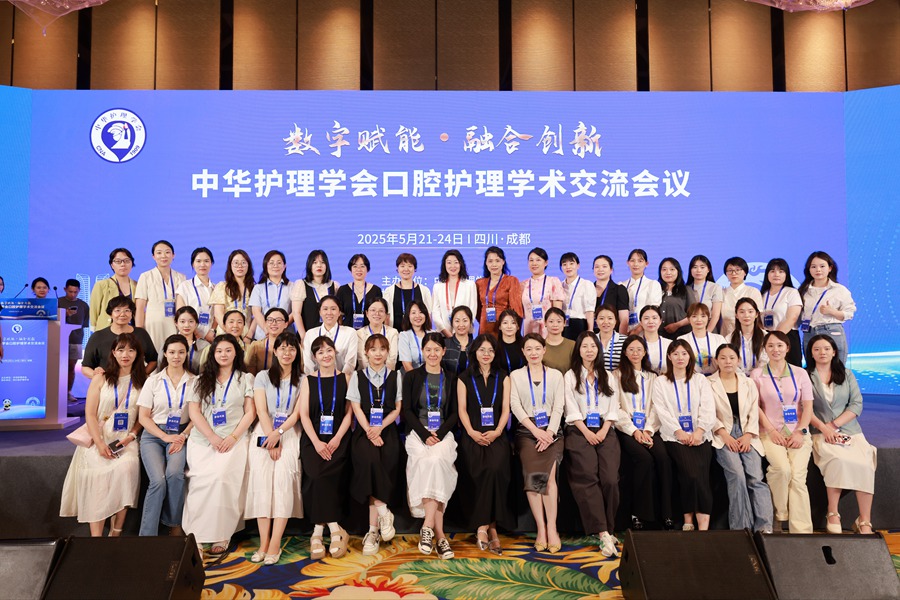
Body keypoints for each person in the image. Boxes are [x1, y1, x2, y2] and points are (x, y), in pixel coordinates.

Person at [60, 332, 146, 536]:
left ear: (137, 354)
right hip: (99, 436)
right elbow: (90, 414)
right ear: (113, 352)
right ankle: (96, 538)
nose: (126, 354)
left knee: (128, 468)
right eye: (121, 349)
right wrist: (99, 444)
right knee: (97, 477)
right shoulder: (101, 378)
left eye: (131, 350)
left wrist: (132, 436)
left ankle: (116, 532)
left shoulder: (144, 381)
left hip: (125, 439)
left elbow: (143, 417)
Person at [183, 334, 256, 556]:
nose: (223, 354)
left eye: (228, 350)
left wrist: (233, 437)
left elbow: (250, 412)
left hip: (234, 440)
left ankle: (222, 533)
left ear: (236, 353)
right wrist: (212, 437)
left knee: (223, 479)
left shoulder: (246, 379)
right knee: (200, 482)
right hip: (203, 440)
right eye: (219, 351)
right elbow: (194, 412)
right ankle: (195, 535)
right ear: (213, 354)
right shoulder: (200, 380)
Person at [806, 334, 876, 534]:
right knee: (837, 460)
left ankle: (864, 520)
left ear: (834, 352)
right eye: (817, 349)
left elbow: (856, 404)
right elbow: (804, 409)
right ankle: (833, 513)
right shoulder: (805, 376)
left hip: (849, 430)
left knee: (866, 462)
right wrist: (825, 428)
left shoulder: (847, 374)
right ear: (811, 353)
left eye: (826, 348)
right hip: (820, 432)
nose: (822, 352)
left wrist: (834, 425)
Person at [245, 331, 304, 565]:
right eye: (282, 348)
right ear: (275, 351)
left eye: (292, 348)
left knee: (282, 482)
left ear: (297, 352)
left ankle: (275, 543)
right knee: (261, 483)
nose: (287, 352)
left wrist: (278, 436)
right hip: (264, 429)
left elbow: (297, 414)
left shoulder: (303, 379)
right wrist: (271, 436)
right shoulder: (262, 376)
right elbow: (260, 410)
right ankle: (263, 542)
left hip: (288, 432)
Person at [402, 333, 460, 559]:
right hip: (418, 433)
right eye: (428, 349)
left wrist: (440, 433)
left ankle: (427, 526)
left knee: (436, 461)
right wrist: (425, 434)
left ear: (443, 351)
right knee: (428, 462)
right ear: (422, 351)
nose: (432, 354)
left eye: (437, 349)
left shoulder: (452, 378)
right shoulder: (412, 377)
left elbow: (454, 413)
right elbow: (407, 411)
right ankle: (441, 536)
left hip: (443, 433)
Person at [564, 331, 621, 557]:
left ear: (599, 350)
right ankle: (602, 532)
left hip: (605, 429)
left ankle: (609, 527)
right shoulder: (570, 376)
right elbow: (570, 407)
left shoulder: (608, 376)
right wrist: (587, 431)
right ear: (578, 350)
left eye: (593, 346)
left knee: (610, 479)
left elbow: (613, 408)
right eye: (585, 346)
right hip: (579, 429)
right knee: (587, 475)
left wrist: (604, 430)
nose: (589, 350)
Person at [751, 331, 814, 533]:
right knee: (782, 469)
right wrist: (771, 431)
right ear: (764, 349)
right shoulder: (756, 374)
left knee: (797, 477)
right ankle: (779, 515)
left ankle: (802, 532)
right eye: (770, 346)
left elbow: (808, 406)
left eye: (779, 345)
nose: (775, 349)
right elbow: (755, 407)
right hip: (769, 433)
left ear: (787, 348)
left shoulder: (800, 373)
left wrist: (800, 431)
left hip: (798, 432)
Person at [457, 334, 513, 555]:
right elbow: (462, 409)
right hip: (472, 434)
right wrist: (471, 432)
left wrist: (498, 431)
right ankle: (487, 527)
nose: (486, 354)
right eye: (482, 350)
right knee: (480, 469)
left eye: (490, 350)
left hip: (496, 434)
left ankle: (489, 527)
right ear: (475, 352)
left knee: (496, 468)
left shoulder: (503, 376)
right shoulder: (464, 377)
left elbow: (506, 409)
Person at [509, 334, 566, 553]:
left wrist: (549, 433)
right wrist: (535, 431)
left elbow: (559, 407)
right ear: (523, 352)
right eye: (529, 349)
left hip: (552, 430)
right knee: (532, 476)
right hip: (527, 431)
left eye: (537, 348)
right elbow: (515, 406)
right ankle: (540, 528)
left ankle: (552, 528)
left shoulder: (556, 375)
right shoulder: (516, 375)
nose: (533, 353)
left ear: (544, 350)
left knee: (549, 477)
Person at [652, 340, 716, 531]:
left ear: (690, 356)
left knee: (701, 475)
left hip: (701, 435)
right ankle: (687, 519)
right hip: (674, 436)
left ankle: (703, 525)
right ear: (669, 357)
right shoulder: (661, 382)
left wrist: (699, 431)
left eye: (684, 353)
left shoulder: (700, 380)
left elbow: (708, 408)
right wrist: (678, 432)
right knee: (690, 474)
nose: (680, 357)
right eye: (676, 354)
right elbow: (661, 410)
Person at [298, 336, 353, 559]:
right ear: (314, 357)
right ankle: (333, 527)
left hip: (339, 437)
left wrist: (337, 438)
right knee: (316, 474)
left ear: (335, 352)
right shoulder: (308, 380)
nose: (326, 355)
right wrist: (317, 442)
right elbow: (303, 414)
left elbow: (349, 413)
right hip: (314, 438)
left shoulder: (346, 378)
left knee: (330, 475)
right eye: (320, 352)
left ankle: (317, 532)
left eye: (329, 350)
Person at [709, 345, 773, 533]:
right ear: (716, 361)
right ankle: (741, 528)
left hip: (747, 433)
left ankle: (764, 527)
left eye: (731, 357)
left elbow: (754, 410)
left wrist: (748, 435)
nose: (727, 361)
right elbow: (707, 412)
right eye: (723, 358)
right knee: (737, 476)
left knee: (755, 477)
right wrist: (724, 434)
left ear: (738, 360)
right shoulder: (708, 383)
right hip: (722, 434)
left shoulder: (748, 382)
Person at [348, 334, 402, 556]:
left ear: (388, 352)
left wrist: (380, 428)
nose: (378, 353)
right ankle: (383, 512)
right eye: (373, 349)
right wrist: (370, 431)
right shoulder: (357, 376)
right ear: (366, 353)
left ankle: (372, 531)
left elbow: (397, 408)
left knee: (381, 462)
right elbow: (356, 407)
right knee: (369, 460)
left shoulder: (395, 375)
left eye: (382, 349)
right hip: (364, 430)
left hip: (387, 430)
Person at [136, 334, 195, 536]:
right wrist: (164, 436)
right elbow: (143, 417)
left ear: (186, 354)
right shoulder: (153, 381)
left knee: (175, 474)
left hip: (180, 434)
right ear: (165, 354)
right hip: (153, 436)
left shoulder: (195, 381)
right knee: (158, 481)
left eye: (181, 352)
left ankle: (173, 524)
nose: (176, 356)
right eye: (172, 352)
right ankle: (147, 536)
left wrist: (183, 436)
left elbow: (197, 416)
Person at [614, 335, 674, 531]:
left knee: (663, 458)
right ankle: (638, 514)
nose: (635, 353)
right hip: (626, 430)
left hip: (650, 429)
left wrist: (647, 429)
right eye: (631, 349)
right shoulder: (616, 375)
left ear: (645, 352)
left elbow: (657, 407)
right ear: (625, 352)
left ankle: (666, 513)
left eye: (639, 349)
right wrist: (634, 431)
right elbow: (616, 408)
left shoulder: (653, 377)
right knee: (644, 459)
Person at [798, 251, 856, 363]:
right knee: (812, 369)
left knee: (836, 368)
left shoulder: (839, 289)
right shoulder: (803, 291)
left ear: (830, 268)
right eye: (813, 267)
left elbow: (850, 313)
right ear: (809, 270)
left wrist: (832, 311)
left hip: (831, 331)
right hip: (809, 332)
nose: (818, 270)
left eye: (822, 266)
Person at [82, 297, 158, 378]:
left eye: (127, 310)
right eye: (117, 310)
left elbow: (153, 360)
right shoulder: (98, 336)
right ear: (110, 314)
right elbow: (86, 367)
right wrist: (100, 378)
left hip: (135, 383)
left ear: (132, 314)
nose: (122, 314)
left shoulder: (141, 334)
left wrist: (140, 376)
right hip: (107, 382)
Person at [134, 240, 187, 353]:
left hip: (174, 323)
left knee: (173, 353)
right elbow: (140, 308)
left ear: (173, 255)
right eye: (159, 253)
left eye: (167, 252)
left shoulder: (181, 277)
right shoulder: (146, 276)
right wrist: (139, 332)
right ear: (153, 256)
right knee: (154, 354)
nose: (163, 256)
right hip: (153, 324)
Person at [759, 258, 803, 366]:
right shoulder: (763, 294)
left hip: (787, 336)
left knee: (791, 371)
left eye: (781, 271)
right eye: (772, 271)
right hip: (767, 338)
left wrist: (775, 339)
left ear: (786, 274)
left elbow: (792, 318)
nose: (776, 274)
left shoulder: (791, 292)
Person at [209, 250, 255, 345]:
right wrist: (230, 332)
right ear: (230, 265)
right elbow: (218, 313)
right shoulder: (222, 286)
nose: (240, 266)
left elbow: (257, 315)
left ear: (248, 265)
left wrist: (249, 336)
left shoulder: (254, 288)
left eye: (243, 263)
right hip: (225, 334)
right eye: (236, 263)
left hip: (246, 336)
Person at [301, 296, 357, 375]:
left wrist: (341, 379)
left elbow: (350, 362)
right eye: (325, 309)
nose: (329, 313)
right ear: (320, 312)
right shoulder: (310, 334)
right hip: (316, 379)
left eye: (333, 309)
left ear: (339, 312)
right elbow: (308, 363)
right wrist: (313, 379)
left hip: (343, 379)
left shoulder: (350, 333)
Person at [475, 246, 523, 338]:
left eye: (497, 261)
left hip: (505, 329)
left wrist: (511, 328)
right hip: (484, 328)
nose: (494, 264)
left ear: (503, 262)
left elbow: (516, 310)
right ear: (486, 263)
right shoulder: (479, 283)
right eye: (490, 261)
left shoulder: (511, 281)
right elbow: (477, 310)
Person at [291, 249, 339, 339]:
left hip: (330, 337)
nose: (319, 265)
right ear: (310, 265)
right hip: (308, 336)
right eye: (315, 262)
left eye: (322, 262)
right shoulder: (301, 284)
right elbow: (296, 313)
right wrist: (303, 336)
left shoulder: (334, 285)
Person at [175, 247, 218, 343]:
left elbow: (217, 314)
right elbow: (180, 314)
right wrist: (196, 333)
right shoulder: (185, 286)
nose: (202, 264)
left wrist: (212, 331)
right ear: (193, 264)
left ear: (211, 263)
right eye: (198, 261)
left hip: (211, 337)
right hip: (189, 335)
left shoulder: (216, 288)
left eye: (206, 261)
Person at [432, 250, 478, 338]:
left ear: (461, 264)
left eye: (456, 262)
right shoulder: (437, 286)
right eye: (449, 263)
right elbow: (435, 312)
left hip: (465, 334)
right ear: (444, 265)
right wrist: (446, 333)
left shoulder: (470, 285)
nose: (452, 266)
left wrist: (462, 330)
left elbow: (472, 310)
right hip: (444, 335)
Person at [249, 250, 293, 341]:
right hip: (263, 336)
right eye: (271, 263)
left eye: (279, 263)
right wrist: (267, 329)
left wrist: (281, 327)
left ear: (284, 266)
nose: (275, 266)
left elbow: (295, 311)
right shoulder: (258, 288)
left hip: (287, 335)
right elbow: (256, 312)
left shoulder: (292, 287)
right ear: (266, 266)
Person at [521, 248, 565, 337]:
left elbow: (558, 312)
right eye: (531, 260)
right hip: (528, 331)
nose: (534, 263)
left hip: (548, 332)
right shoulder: (523, 284)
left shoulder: (553, 282)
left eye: (538, 260)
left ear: (546, 263)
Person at [90, 248, 137, 331]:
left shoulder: (137, 285)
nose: (123, 264)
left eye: (127, 261)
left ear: (132, 263)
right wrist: (95, 329)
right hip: (107, 330)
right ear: (112, 265)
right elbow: (94, 310)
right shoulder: (102, 285)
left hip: (131, 330)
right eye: (118, 261)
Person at [59, 278, 90, 402]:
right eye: (70, 291)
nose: (72, 294)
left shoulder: (84, 305)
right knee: (57, 367)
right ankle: (55, 393)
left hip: (76, 340)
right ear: (65, 289)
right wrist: (64, 315)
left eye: (75, 292)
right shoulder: (58, 302)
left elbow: (84, 324)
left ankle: (68, 392)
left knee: (71, 367)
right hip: (57, 340)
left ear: (79, 291)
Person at [382, 253, 433, 329]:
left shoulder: (424, 290)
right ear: (397, 269)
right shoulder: (389, 291)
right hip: (396, 333)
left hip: (418, 334)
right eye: (402, 266)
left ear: (414, 269)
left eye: (410, 266)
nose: (406, 269)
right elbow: (387, 317)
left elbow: (428, 315)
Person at [677, 303, 728, 376]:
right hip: (692, 378)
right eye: (694, 316)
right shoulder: (682, 340)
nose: (699, 320)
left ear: (708, 318)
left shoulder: (719, 339)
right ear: (688, 319)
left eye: (703, 316)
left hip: (716, 378)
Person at [620, 249, 663, 335]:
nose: (636, 264)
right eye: (632, 260)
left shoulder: (652, 284)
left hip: (645, 331)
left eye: (640, 261)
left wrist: (636, 331)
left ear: (646, 264)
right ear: (627, 263)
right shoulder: (621, 285)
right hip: (624, 331)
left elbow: (652, 310)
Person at [336, 253, 383, 329]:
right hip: (347, 332)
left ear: (367, 269)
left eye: (362, 266)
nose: (358, 269)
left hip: (369, 332)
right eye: (355, 266)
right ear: (350, 269)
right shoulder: (343, 290)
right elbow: (339, 316)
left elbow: (380, 314)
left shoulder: (376, 290)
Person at [720, 257, 763, 339]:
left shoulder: (753, 291)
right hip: (726, 337)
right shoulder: (721, 293)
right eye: (730, 270)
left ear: (745, 272)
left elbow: (759, 317)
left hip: (751, 337)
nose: (734, 273)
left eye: (738, 270)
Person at [356, 298, 399, 370]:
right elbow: (362, 360)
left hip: (388, 373)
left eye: (381, 311)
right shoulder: (359, 333)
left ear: (386, 314)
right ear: (367, 313)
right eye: (373, 310)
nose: (377, 314)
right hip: (365, 373)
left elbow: (392, 360)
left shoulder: (393, 332)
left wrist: (384, 374)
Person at [560, 252, 595, 340]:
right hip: (562, 325)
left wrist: (590, 330)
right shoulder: (559, 286)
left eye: (571, 263)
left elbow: (589, 310)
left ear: (578, 265)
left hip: (579, 324)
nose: (568, 267)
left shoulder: (586, 284)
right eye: (564, 264)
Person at [727, 298, 767, 374]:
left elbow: (765, 361)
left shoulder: (766, 337)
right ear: (736, 315)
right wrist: (742, 377)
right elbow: (729, 361)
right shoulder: (729, 338)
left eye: (750, 311)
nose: (746, 315)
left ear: (756, 314)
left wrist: (755, 374)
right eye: (742, 312)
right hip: (738, 377)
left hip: (760, 377)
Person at [658, 257, 696, 340]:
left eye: (672, 269)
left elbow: (694, 314)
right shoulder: (656, 289)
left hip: (682, 335)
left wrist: (677, 325)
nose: (668, 272)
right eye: (664, 269)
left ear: (678, 271)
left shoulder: (686, 290)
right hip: (659, 336)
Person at [592, 255, 630, 335]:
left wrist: (621, 338)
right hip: (591, 336)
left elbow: (624, 320)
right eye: (597, 267)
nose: (600, 269)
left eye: (604, 266)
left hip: (612, 336)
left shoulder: (619, 289)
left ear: (611, 270)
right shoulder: (587, 289)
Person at [245, 308, 289, 375]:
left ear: (286, 324)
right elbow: (250, 374)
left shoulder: (293, 346)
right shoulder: (256, 346)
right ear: (265, 323)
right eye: (270, 320)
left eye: (278, 320)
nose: (274, 323)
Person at [686, 255, 723, 332]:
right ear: (690, 270)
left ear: (708, 269)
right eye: (695, 267)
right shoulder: (686, 288)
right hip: (689, 328)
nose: (698, 270)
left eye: (702, 267)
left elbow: (715, 315)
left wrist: (706, 334)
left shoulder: (715, 287)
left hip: (709, 327)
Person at [399, 300, 432, 372]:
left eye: (421, 312)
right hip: (411, 375)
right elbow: (407, 365)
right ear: (408, 316)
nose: (417, 316)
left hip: (431, 374)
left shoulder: (432, 334)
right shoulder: (404, 336)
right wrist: (417, 378)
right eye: (413, 313)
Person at [174, 306, 209, 374]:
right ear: (176, 323)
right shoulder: (168, 345)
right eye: (182, 321)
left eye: (191, 321)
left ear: (196, 324)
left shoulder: (205, 347)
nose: (187, 325)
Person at [541, 308, 574, 374]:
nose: (555, 325)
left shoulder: (572, 345)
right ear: (545, 323)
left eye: (559, 321)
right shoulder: (540, 345)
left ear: (564, 323)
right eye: (551, 321)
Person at [639, 306, 670, 375]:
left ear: (660, 321)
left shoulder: (669, 344)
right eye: (646, 318)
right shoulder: (636, 344)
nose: (650, 321)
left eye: (654, 318)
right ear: (640, 322)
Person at [443, 306, 473, 374]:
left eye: (465, 320)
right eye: (457, 321)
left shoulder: (476, 346)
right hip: (449, 381)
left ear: (470, 323)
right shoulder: (444, 344)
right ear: (452, 323)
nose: (461, 325)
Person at [596, 306, 625, 372]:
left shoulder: (625, 341)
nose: (606, 322)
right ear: (596, 321)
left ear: (615, 321)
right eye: (601, 318)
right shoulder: (591, 340)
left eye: (610, 318)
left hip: (618, 377)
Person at [497, 309, 526, 373]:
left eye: (513, 323)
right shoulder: (495, 347)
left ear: (518, 327)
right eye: (505, 323)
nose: (509, 326)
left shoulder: (525, 345)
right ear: (500, 327)